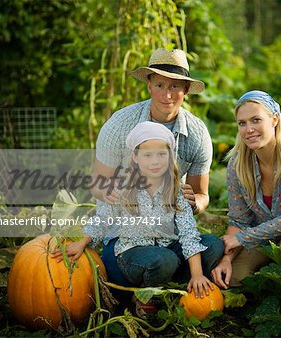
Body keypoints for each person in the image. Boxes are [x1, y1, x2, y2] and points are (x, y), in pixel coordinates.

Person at [52, 122, 223, 301]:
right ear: (135, 156)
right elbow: (103, 219)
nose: (155, 161)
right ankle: (145, 298)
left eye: (161, 154)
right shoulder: (121, 187)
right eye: (147, 155)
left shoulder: (176, 190)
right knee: (164, 260)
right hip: (132, 253)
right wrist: (82, 242)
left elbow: (188, 233)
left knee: (213, 245)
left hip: (167, 249)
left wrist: (197, 273)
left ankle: (183, 285)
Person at [88, 48, 213, 285]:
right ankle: (147, 280)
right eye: (160, 85)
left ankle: (178, 280)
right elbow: (97, 185)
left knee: (213, 246)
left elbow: (202, 195)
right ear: (149, 85)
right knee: (162, 259)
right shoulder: (119, 125)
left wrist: (194, 201)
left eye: (175, 86)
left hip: (170, 235)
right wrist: (112, 193)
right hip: (126, 238)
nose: (167, 95)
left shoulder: (197, 135)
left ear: (186, 89)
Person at [211, 90, 281, 289]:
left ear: (274, 120)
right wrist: (226, 259)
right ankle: (267, 288)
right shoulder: (237, 165)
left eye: (256, 120)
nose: (249, 129)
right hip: (263, 241)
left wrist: (244, 238)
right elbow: (239, 220)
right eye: (242, 123)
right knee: (235, 277)